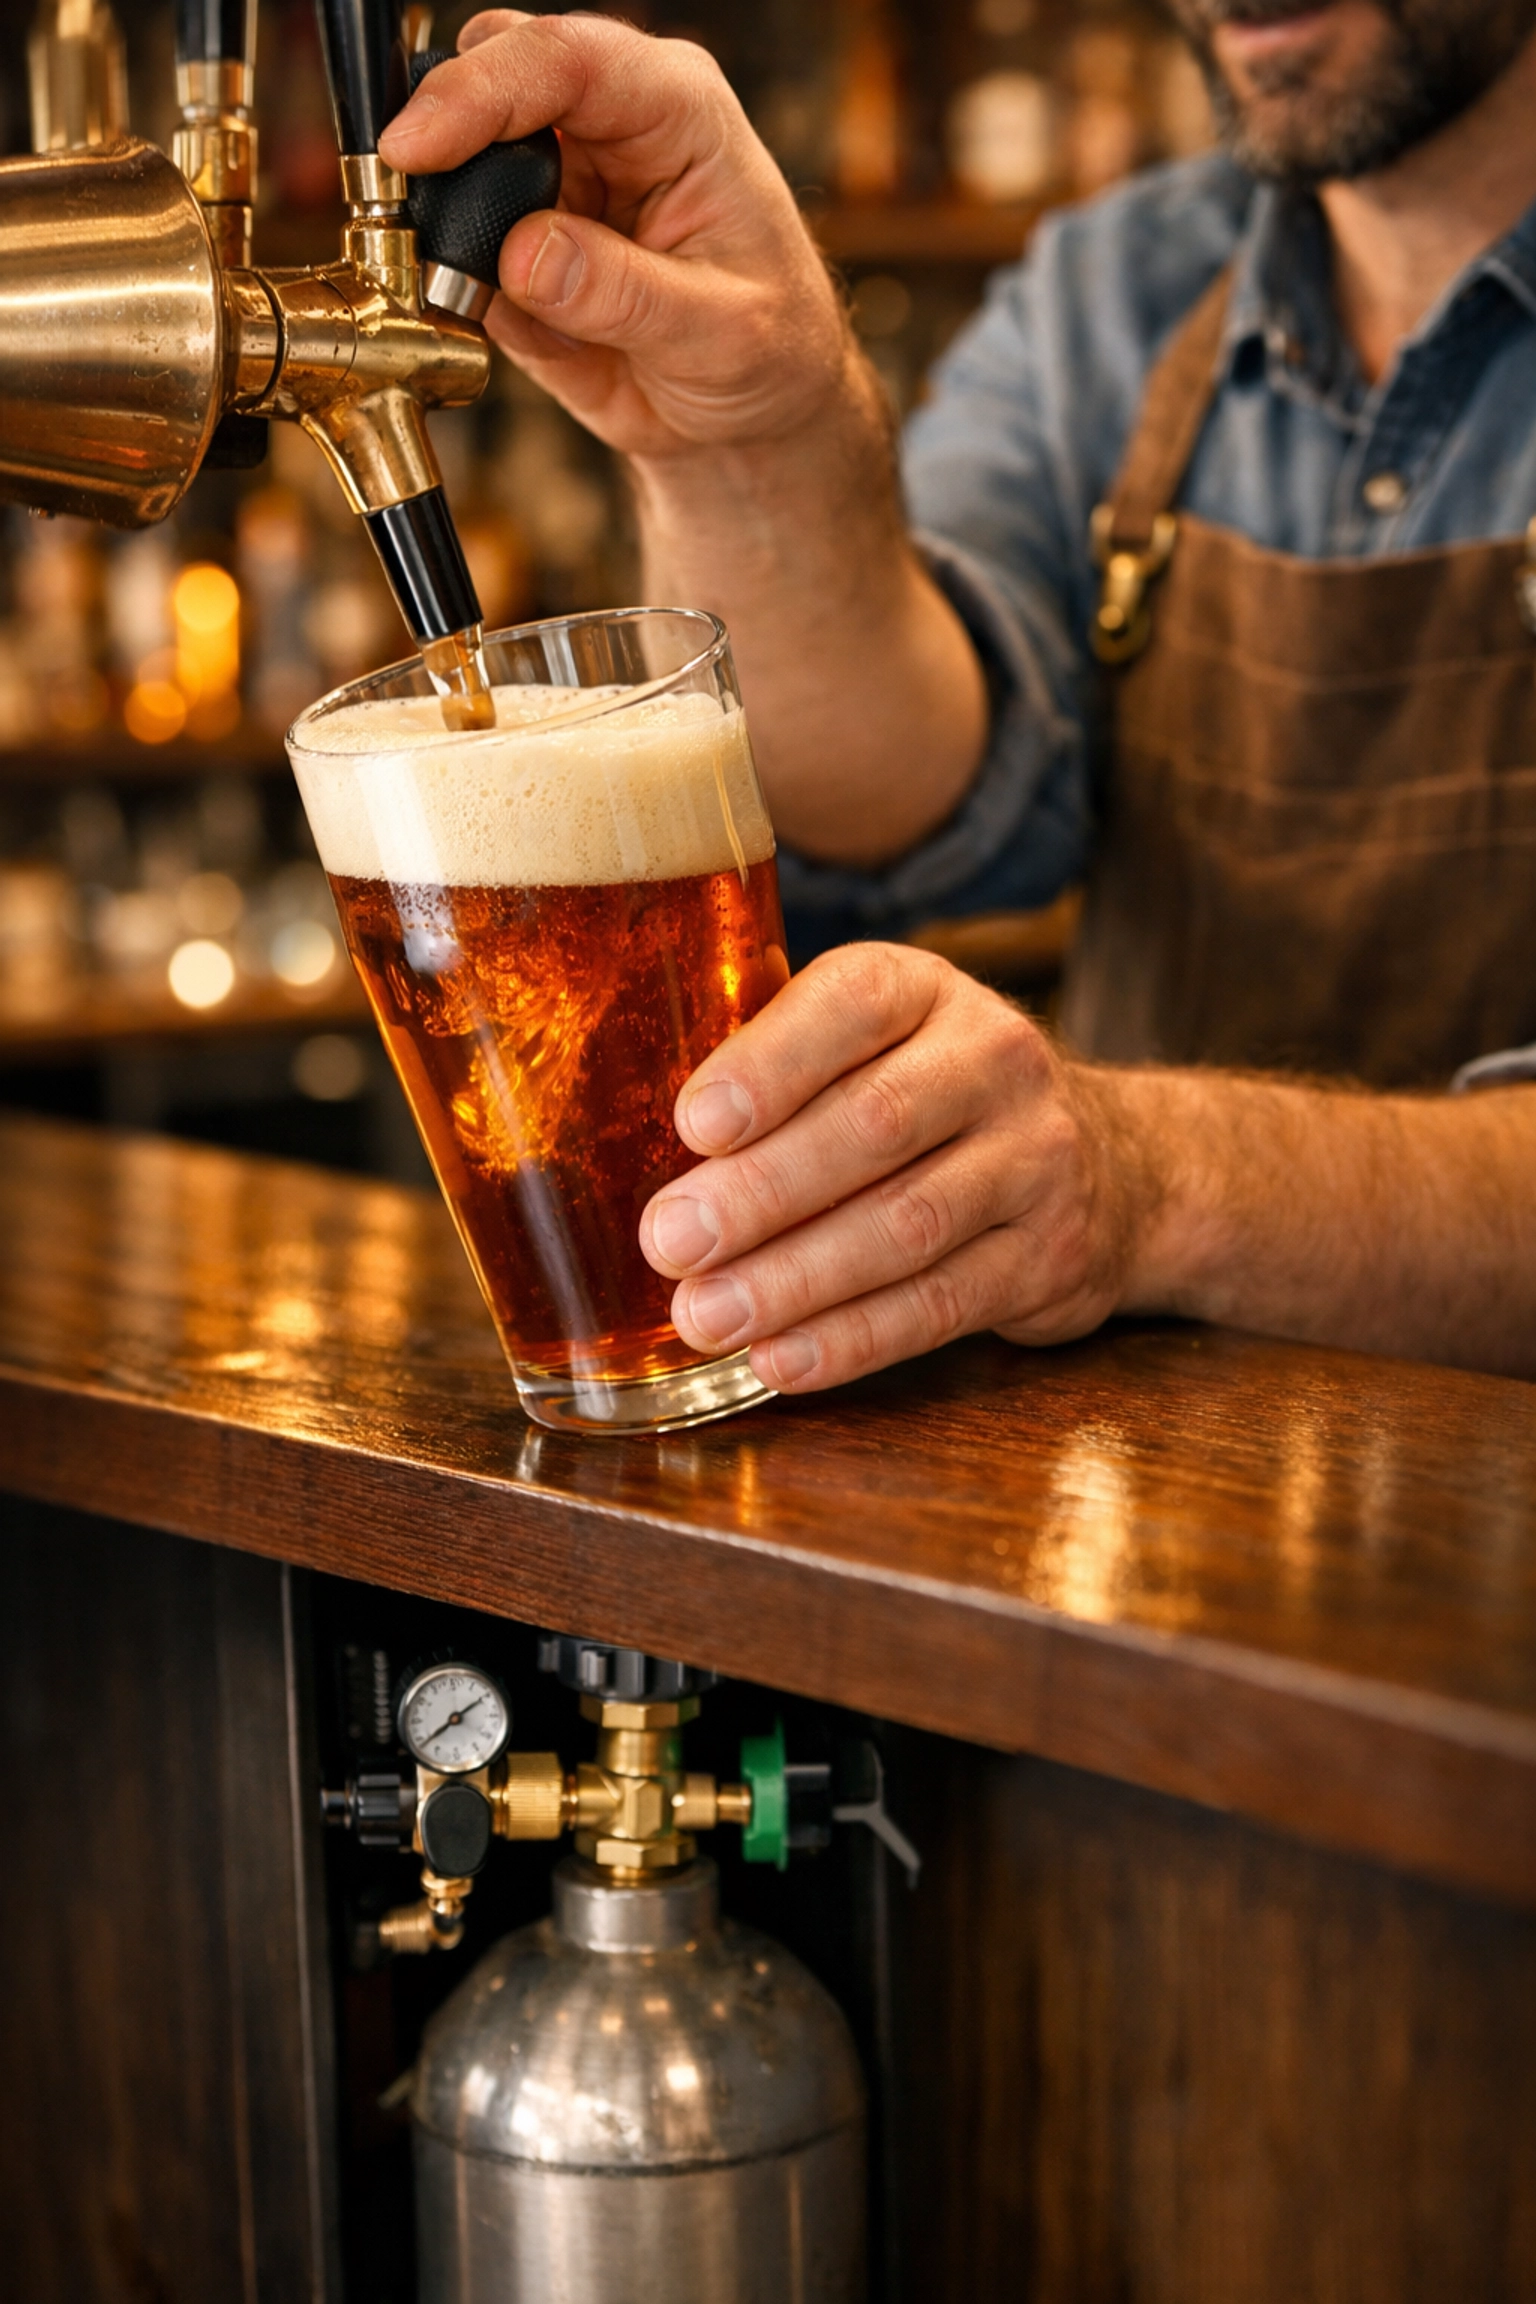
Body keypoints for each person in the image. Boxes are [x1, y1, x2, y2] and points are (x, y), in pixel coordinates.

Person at [379, 1, 1536, 1393]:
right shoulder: (1111, 295)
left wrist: (1151, 1181)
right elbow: (914, 793)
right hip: (1151, 1512)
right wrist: (752, 433)